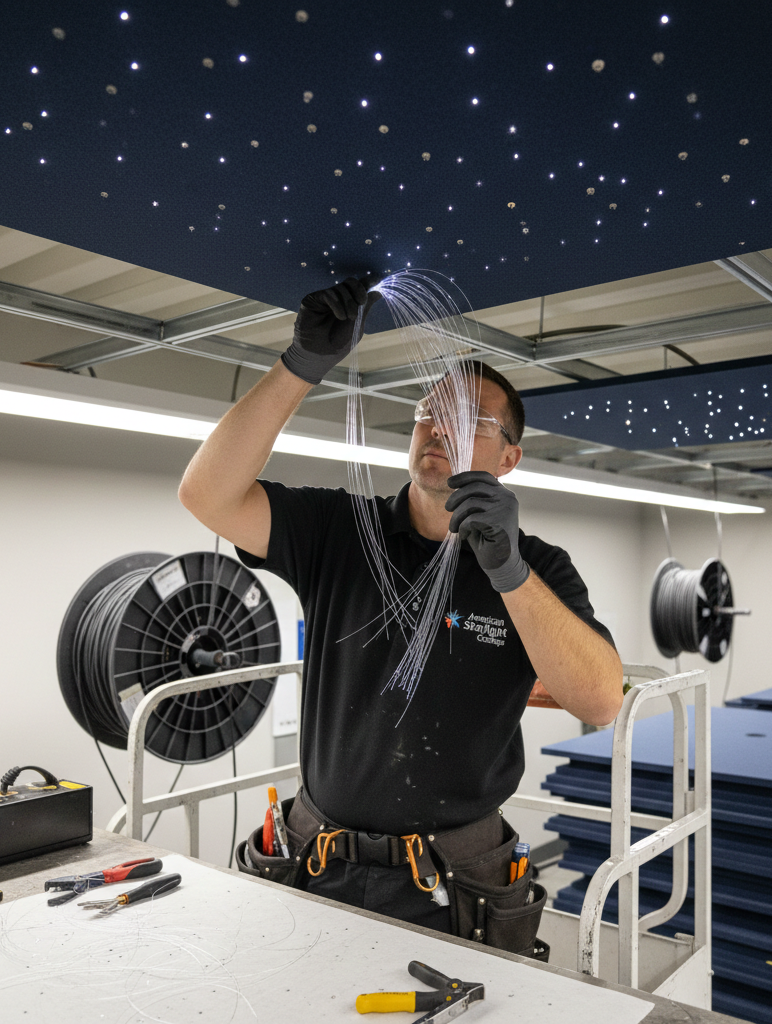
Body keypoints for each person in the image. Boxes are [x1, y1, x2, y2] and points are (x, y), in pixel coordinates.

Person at [179, 277, 624, 951]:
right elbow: (207, 495)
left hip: (457, 884)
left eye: (472, 421)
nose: (440, 427)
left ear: (509, 458)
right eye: (428, 411)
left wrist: (509, 573)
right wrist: (300, 365)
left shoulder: (539, 567)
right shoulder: (341, 529)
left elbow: (600, 700)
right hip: (316, 861)